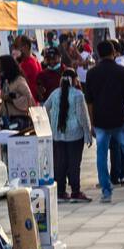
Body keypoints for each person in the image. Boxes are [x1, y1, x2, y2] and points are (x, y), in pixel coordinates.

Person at [83, 38, 124, 202]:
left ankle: (106, 192)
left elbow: (89, 102)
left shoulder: (91, 73)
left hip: (101, 121)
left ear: (98, 54)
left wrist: (92, 123)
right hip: (120, 119)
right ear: (114, 53)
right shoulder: (122, 72)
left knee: (101, 156)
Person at [44, 68, 92, 202]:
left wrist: (51, 122)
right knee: (74, 163)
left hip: (57, 133)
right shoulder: (78, 95)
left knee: (60, 162)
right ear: (75, 80)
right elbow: (83, 117)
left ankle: (60, 191)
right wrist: (87, 133)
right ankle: (75, 191)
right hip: (75, 133)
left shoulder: (55, 93)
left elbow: (44, 108)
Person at [0, 54, 35, 130]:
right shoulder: (6, 81)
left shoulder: (19, 81)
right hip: (7, 120)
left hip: (18, 121)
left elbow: (29, 99)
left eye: (0, 66)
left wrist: (13, 100)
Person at [15, 35, 43, 103]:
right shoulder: (35, 59)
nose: (18, 49)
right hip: (34, 99)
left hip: (29, 100)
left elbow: (24, 82)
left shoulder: (27, 63)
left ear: (26, 46)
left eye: (19, 46)